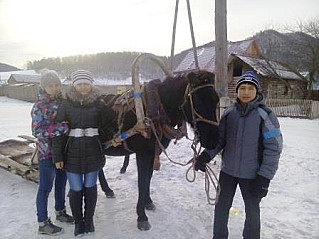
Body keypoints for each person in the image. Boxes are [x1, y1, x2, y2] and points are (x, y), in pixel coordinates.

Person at [195, 71, 283, 239]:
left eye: (250, 88)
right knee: (221, 208)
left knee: (252, 211)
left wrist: (264, 177)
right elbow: (220, 141)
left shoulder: (265, 115)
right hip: (227, 172)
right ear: (237, 90)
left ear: (257, 91)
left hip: (253, 175)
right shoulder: (229, 114)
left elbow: (274, 148)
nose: (246, 92)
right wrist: (206, 156)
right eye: (242, 88)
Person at [52, 70, 116, 237]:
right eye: (79, 84)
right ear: (74, 85)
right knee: (76, 188)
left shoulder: (99, 104)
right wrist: (58, 156)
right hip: (71, 151)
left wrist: (112, 136)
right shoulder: (66, 105)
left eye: (86, 84)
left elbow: (108, 124)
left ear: (91, 85)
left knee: (90, 187)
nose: (83, 87)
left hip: (93, 151)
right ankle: (78, 223)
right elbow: (58, 133)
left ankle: (89, 220)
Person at [31, 69, 74, 236]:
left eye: (57, 85)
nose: (54, 88)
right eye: (50, 85)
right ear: (44, 87)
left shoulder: (63, 101)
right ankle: (43, 222)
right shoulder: (39, 106)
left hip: (63, 151)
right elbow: (37, 131)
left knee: (61, 184)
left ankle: (60, 211)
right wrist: (61, 128)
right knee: (45, 187)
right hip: (46, 153)